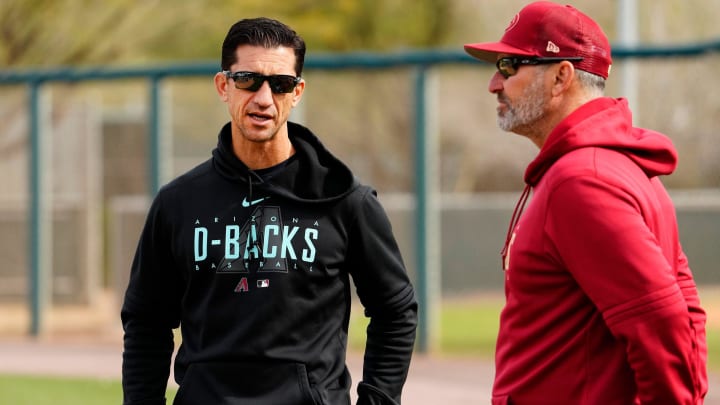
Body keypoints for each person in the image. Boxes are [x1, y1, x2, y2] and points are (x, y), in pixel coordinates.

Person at [121, 17, 417, 405]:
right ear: (223, 86)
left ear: (297, 93)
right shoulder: (177, 203)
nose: (263, 98)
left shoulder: (345, 201)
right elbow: (147, 322)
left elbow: (396, 312)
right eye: (247, 80)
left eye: (279, 84)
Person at [463, 2, 708, 404]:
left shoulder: (582, 180)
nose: (494, 82)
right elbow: (687, 312)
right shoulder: (617, 167)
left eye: (509, 66)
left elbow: (664, 324)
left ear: (562, 77)